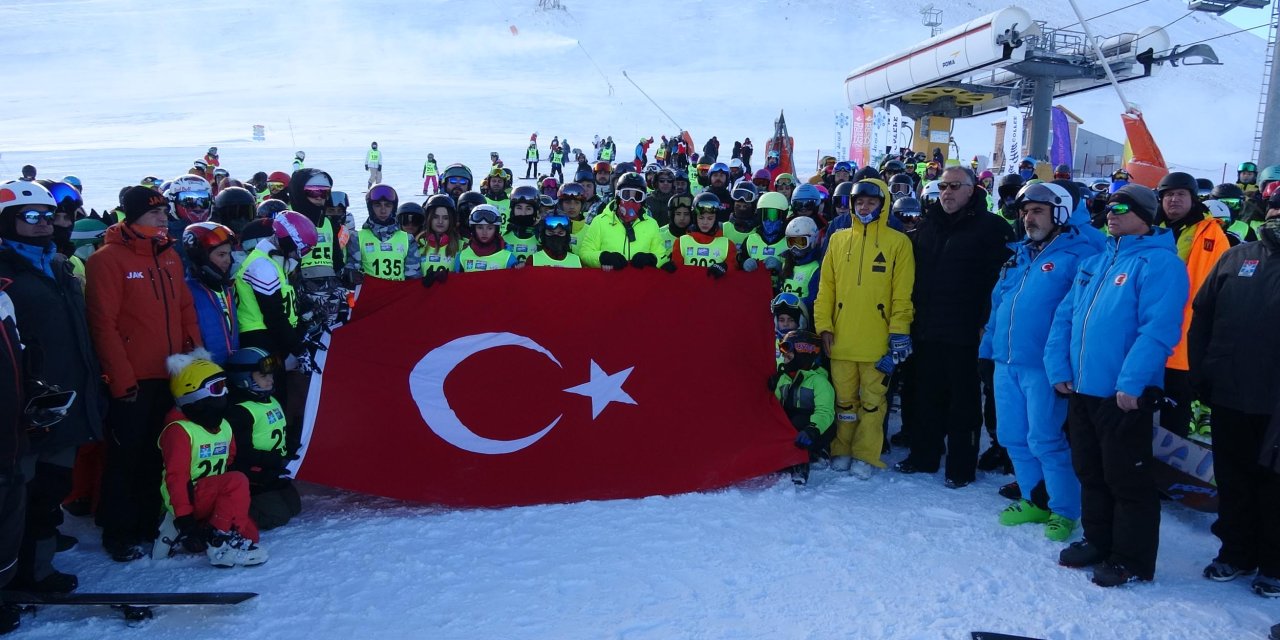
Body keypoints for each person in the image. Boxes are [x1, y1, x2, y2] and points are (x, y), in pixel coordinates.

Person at [1045, 184, 1189, 587]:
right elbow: (1065, 317)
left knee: (1127, 478)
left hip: (1122, 395)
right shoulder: (1096, 260)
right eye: (1108, 207)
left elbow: (1158, 329)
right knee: (1090, 471)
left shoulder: (1160, 264)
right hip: (1083, 389)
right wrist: (1058, 366)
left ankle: (1130, 558)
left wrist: (1132, 382)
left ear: (1145, 215)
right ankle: (1098, 540)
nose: (1112, 212)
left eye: (1122, 207)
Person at [980, 183, 1102, 543]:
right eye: (1025, 211)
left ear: (1059, 212)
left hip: (1044, 366)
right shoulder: (1021, 253)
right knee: (1012, 436)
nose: (1027, 218)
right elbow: (999, 305)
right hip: (1007, 361)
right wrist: (987, 351)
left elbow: (1076, 315)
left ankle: (1064, 510)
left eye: (1036, 211)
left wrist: (1062, 366)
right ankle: (1035, 498)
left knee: (1045, 438)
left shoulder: (1081, 250)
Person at [86, 185, 202, 561]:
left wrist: (196, 361)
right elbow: (103, 325)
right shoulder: (107, 260)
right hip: (134, 378)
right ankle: (117, 529)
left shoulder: (169, 256)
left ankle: (147, 520)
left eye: (163, 211)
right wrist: (121, 380)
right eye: (154, 213)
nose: (162, 217)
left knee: (159, 452)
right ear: (134, 217)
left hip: (171, 373)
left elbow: (185, 310)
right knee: (125, 456)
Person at [0, 181, 105, 591]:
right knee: (15, 496)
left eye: (50, 215)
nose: (45, 224)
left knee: (50, 490)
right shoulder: (6, 273)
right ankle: (9, 579)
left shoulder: (59, 265)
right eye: (31, 217)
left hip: (64, 399)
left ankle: (37, 569)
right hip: (18, 408)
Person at [895, 167, 1014, 488]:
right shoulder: (927, 225)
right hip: (926, 329)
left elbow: (1003, 283)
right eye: (943, 186)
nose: (947, 192)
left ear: (972, 189)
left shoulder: (992, 228)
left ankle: (961, 467)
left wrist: (985, 323)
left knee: (963, 403)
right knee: (925, 397)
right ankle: (924, 456)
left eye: (955, 186)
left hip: (966, 332)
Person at [1188, 203, 1280, 597]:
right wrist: (1202, 373)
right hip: (1230, 392)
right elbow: (1202, 316)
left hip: (1276, 404)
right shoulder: (1236, 257)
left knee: (1274, 486)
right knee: (1233, 478)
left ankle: (1275, 565)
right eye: (1275, 207)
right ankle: (1237, 552)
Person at [814, 179, 915, 479]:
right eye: (859, 202)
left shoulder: (899, 243)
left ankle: (865, 453)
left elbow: (902, 293)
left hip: (877, 340)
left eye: (871, 202)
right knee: (844, 400)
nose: (865, 207)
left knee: (873, 402)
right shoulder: (838, 239)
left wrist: (899, 332)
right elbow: (826, 288)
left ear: (882, 204)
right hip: (841, 338)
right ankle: (841, 448)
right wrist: (824, 326)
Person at [158, 351, 267, 567]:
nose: (224, 393)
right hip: (188, 499)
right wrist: (185, 518)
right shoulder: (179, 431)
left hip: (214, 494)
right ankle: (219, 544)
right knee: (237, 480)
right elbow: (176, 478)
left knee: (252, 535)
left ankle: (210, 533)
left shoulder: (223, 425)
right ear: (193, 393)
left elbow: (229, 459)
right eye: (217, 388)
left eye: (224, 386)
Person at [1155, 172, 1228, 438]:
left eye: (1180, 194)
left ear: (1193, 198)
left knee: (1175, 407)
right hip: (1144, 334)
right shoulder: (1150, 229)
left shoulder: (1210, 232)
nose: (1173, 200)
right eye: (1168, 195)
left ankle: (1170, 468)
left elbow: (1215, 286)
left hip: (1184, 338)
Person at [223, 347, 301, 531]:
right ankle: (233, 511)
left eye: (271, 376)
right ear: (244, 379)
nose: (270, 380)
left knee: (294, 508)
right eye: (263, 376)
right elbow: (242, 453)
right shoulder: (239, 410)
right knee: (277, 517)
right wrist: (274, 460)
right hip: (254, 474)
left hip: (273, 470)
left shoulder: (270, 399)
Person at [774, 330, 836, 486]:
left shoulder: (819, 382)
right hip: (794, 426)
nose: (784, 358)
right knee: (786, 421)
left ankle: (801, 465)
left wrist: (813, 429)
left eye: (789, 355)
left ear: (803, 355)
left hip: (816, 429)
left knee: (798, 420)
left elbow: (825, 411)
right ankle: (781, 458)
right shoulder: (783, 378)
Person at [578, 173, 663, 270]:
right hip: (609, 281)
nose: (631, 200)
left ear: (643, 199)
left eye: (637, 196)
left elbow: (661, 255)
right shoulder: (600, 221)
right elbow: (585, 253)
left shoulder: (651, 224)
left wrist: (652, 259)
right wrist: (603, 258)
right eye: (626, 195)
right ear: (618, 196)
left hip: (639, 282)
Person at [181, 223, 239, 365]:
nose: (228, 260)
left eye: (229, 253)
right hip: (208, 374)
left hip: (233, 368)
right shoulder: (187, 291)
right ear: (201, 257)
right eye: (221, 254)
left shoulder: (225, 287)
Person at [345, 185, 422, 282]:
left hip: (398, 294)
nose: (383, 210)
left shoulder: (407, 239)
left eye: (388, 205)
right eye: (377, 205)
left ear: (393, 207)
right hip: (371, 294)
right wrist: (352, 274)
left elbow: (413, 277)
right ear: (370, 207)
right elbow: (352, 269)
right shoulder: (357, 238)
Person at [667, 192, 735, 277]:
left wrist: (726, 267)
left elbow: (735, 272)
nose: (705, 222)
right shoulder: (681, 242)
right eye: (701, 218)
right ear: (695, 218)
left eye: (710, 218)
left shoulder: (728, 245)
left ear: (716, 219)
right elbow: (676, 274)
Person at [779, 216, 823, 312]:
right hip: (784, 316)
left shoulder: (815, 268)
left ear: (812, 239)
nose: (795, 247)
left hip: (804, 317)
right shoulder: (786, 262)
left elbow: (814, 300)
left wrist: (792, 305)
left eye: (801, 242)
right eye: (791, 242)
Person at [456, 205, 517, 272]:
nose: (484, 233)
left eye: (490, 228)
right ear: (473, 229)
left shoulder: (508, 258)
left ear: (496, 230)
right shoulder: (462, 256)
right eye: (480, 227)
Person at [419, 194, 461, 281]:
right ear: (429, 218)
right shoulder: (418, 244)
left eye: (445, 218)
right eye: (435, 217)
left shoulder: (461, 246)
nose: (440, 222)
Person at [504, 185, 542, 266]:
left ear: (535, 211)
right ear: (512, 210)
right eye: (519, 208)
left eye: (528, 209)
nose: (523, 213)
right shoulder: (503, 237)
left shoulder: (542, 237)